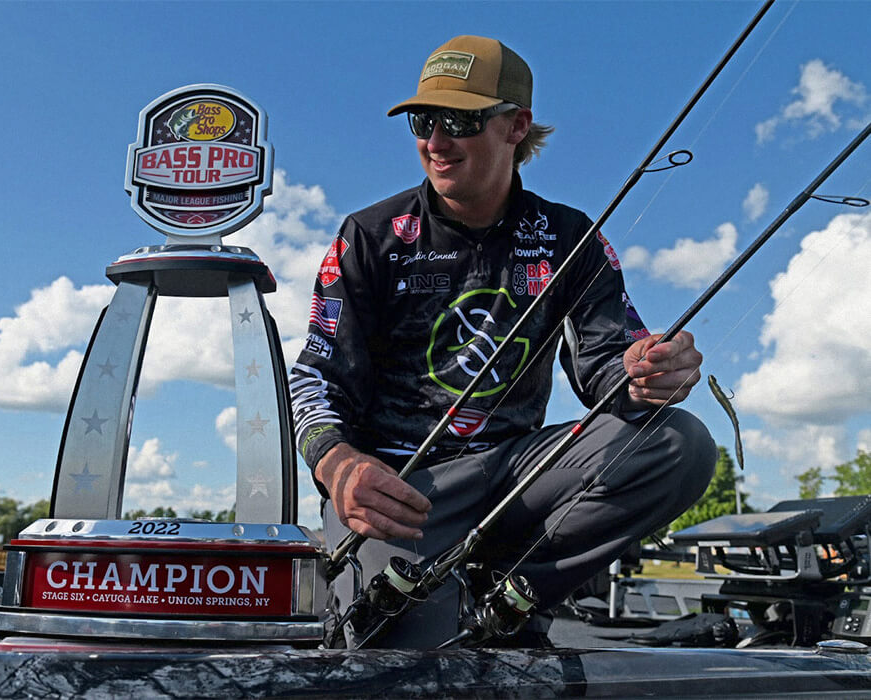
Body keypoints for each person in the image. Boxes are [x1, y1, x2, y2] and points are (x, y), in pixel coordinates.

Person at [289, 35, 716, 648]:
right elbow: (316, 377)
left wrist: (649, 371)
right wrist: (339, 464)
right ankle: (445, 606)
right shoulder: (371, 236)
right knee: (400, 664)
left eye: (459, 120)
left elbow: (606, 371)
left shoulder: (570, 237)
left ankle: (514, 589)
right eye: (422, 119)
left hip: (517, 477)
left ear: (516, 126)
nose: (435, 142)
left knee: (680, 443)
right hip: (400, 490)